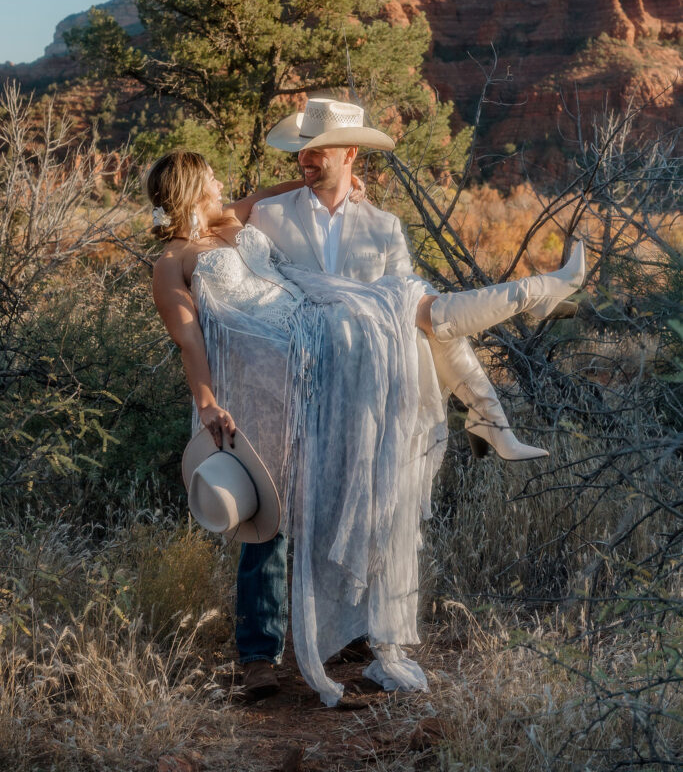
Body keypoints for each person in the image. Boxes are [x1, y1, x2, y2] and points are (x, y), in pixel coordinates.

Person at [148, 125, 585, 706]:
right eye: (212, 178)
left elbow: (286, 187)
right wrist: (206, 400)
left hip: (312, 354)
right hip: (258, 382)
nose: (224, 182)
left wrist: (345, 180)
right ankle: (259, 656)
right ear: (191, 190)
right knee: (270, 515)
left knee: (399, 317)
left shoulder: (233, 221)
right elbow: (189, 340)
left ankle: (340, 627)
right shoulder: (172, 261)